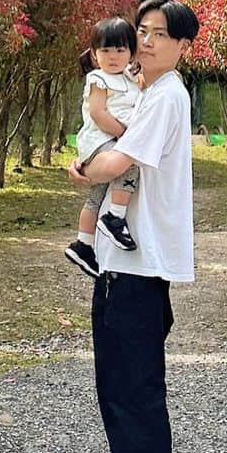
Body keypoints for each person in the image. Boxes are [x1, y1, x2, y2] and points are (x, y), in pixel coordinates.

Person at [67, 0, 199, 453]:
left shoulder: (166, 98)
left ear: (182, 47)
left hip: (141, 268)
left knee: (136, 394)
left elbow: (116, 164)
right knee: (116, 390)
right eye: (141, 31)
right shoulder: (146, 92)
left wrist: (81, 169)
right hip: (121, 263)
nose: (145, 41)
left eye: (158, 35)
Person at [64, 17, 143, 278]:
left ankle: (83, 244)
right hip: (101, 140)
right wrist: (124, 135)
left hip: (106, 141)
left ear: (131, 52)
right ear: (95, 55)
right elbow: (98, 114)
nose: (113, 56)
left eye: (120, 50)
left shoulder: (129, 77)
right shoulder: (99, 79)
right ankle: (115, 217)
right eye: (106, 50)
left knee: (95, 196)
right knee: (129, 166)